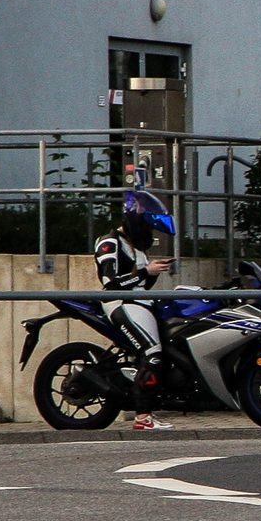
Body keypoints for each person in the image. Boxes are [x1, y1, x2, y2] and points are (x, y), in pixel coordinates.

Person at [95, 180, 177, 431]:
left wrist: (153, 272)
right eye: (148, 227)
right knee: (152, 354)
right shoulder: (110, 242)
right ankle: (143, 417)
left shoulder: (136, 246)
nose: (151, 234)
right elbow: (111, 283)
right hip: (121, 303)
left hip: (139, 302)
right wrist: (146, 272)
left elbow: (141, 284)